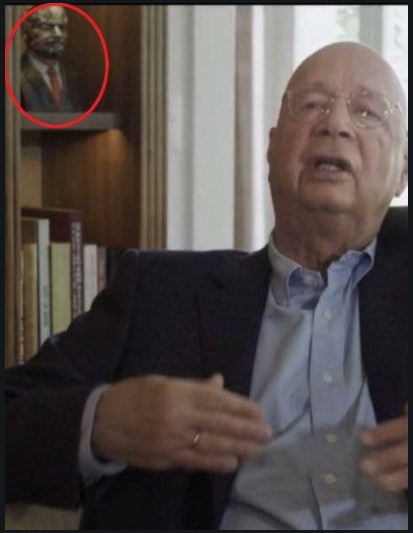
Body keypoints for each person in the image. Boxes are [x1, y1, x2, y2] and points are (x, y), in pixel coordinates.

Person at [6, 42, 408, 530]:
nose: (335, 124)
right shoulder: (158, 294)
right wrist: (102, 421)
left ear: (403, 170)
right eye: (312, 104)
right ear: (271, 148)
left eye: (367, 112)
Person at [20, 6, 81, 112]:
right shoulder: (15, 75)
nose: (58, 34)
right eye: (47, 27)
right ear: (26, 31)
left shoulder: (74, 77)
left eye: (61, 27)